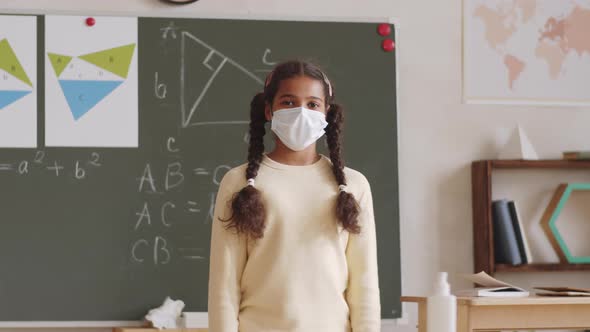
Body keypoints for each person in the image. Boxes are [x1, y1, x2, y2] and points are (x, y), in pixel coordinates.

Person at [208, 60, 380, 332]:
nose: (302, 112)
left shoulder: (353, 185)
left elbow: (365, 283)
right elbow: (224, 284)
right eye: (288, 102)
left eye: (312, 104)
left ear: (326, 113)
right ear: (269, 110)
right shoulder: (239, 182)